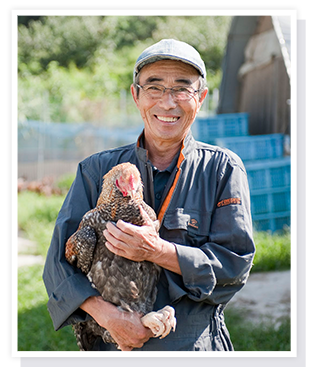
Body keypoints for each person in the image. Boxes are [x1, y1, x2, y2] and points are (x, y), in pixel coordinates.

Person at [43, 39, 255, 351]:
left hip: (192, 344)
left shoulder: (222, 170)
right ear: (136, 95)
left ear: (201, 98)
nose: (168, 103)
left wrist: (156, 251)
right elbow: (58, 265)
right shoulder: (95, 170)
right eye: (154, 87)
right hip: (111, 341)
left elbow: (234, 267)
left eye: (182, 88)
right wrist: (109, 317)